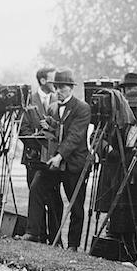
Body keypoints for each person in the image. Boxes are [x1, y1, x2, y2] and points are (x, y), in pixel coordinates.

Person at [19, 70, 94, 249]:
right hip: (54, 163)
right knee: (37, 187)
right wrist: (48, 127)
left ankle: (73, 246)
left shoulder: (82, 108)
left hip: (73, 163)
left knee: (75, 205)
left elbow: (74, 137)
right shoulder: (53, 107)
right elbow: (57, 132)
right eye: (56, 87)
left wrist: (59, 156)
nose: (58, 91)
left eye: (62, 87)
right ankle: (33, 233)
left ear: (71, 88)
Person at [94, 71, 137, 259]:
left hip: (136, 171)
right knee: (118, 210)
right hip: (116, 170)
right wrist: (110, 150)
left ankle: (135, 249)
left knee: (136, 212)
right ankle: (119, 245)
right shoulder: (114, 112)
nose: (134, 93)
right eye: (131, 89)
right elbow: (98, 138)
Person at [20, 66, 59, 235]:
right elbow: (22, 130)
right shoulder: (29, 100)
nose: (56, 83)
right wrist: (39, 137)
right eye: (53, 79)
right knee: (35, 197)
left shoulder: (59, 100)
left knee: (53, 198)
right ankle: (39, 235)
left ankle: (55, 238)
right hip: (33, 158)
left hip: (52, 159)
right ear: (43, 81)